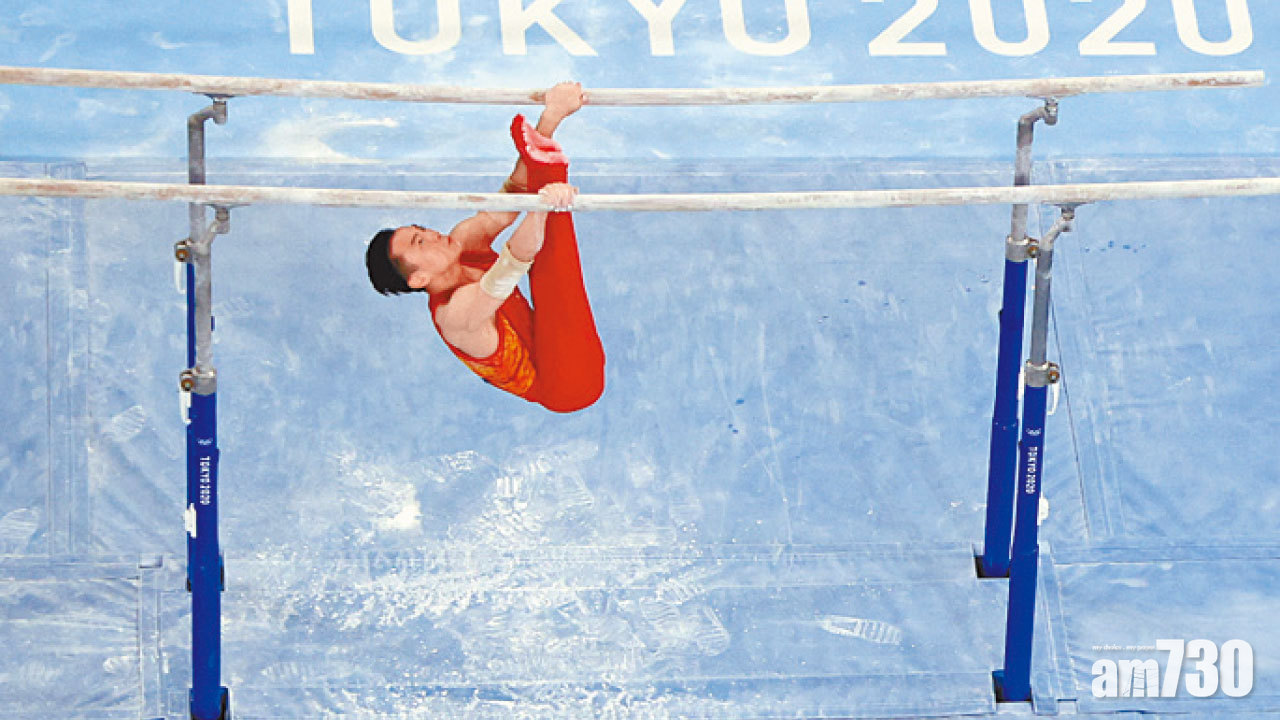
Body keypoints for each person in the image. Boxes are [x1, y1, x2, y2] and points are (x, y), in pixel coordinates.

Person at [364, 82, 605, 413]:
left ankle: (547, 150)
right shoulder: (454, 317)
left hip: (551, 338)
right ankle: (551, 169)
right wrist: (545, 206)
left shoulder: (462, 242)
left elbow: (514, 194)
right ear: (419, 279)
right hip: (567, 386)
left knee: (542, 222)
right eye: (420, 242)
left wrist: (551, 118)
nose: (432, 233)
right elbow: (515, 260)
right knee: (550, 255)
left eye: (422, 229)